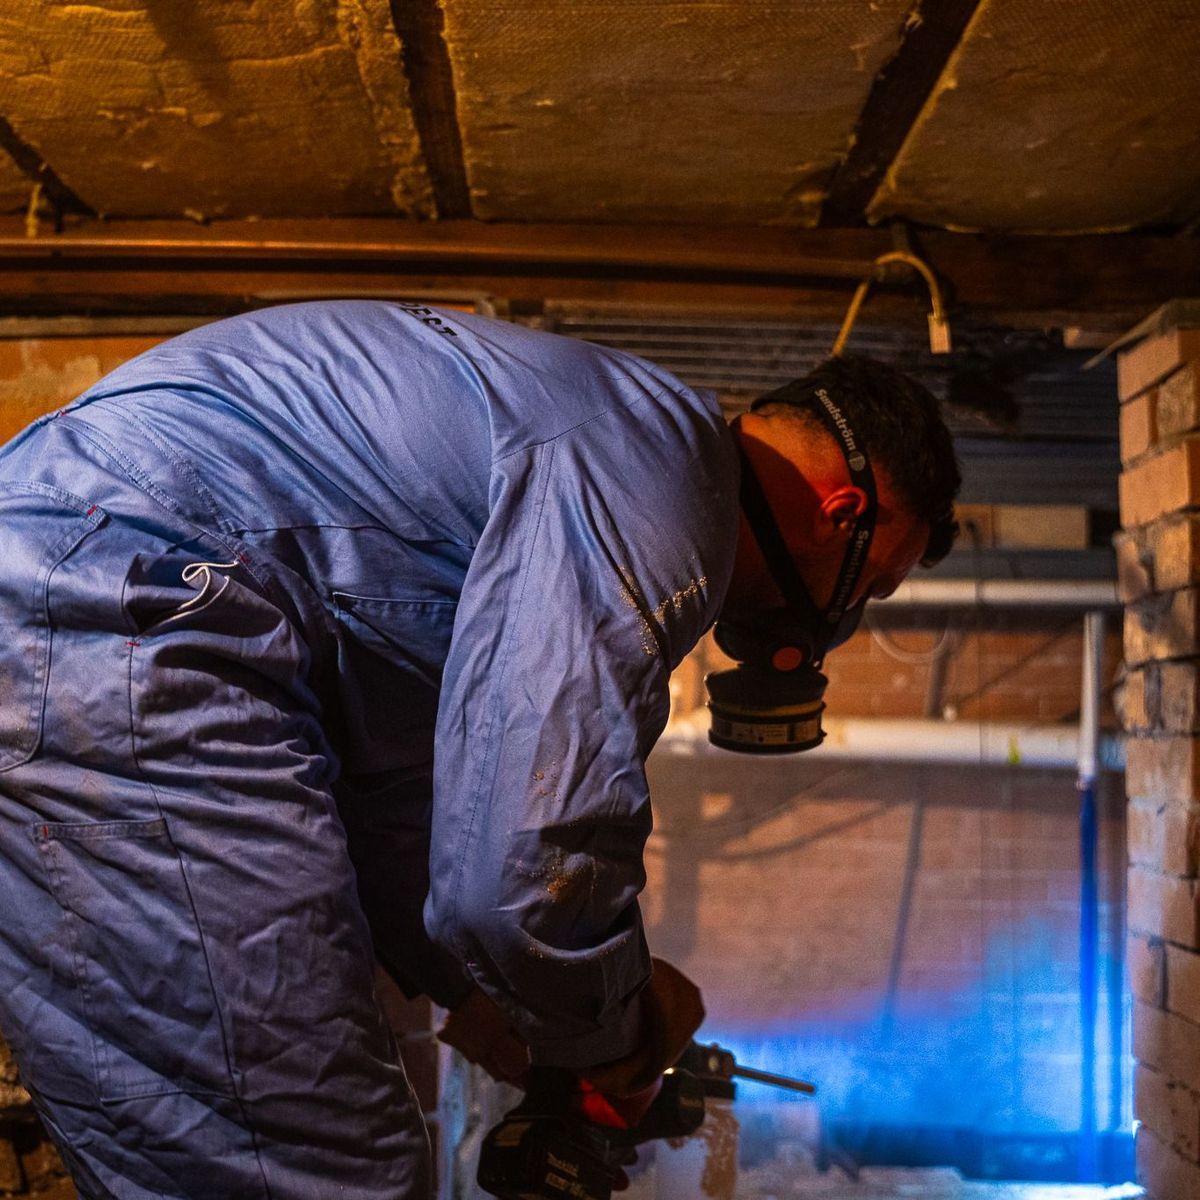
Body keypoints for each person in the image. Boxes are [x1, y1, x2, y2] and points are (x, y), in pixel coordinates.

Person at [0, 300, 959, 1198]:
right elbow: (525, 871)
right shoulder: (659, 482)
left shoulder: (613, 438)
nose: (843, 619)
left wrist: (487, 996)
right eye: (871, 588)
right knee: (315, 1167)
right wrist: (615, 1024)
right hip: (132, 597)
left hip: (104, 589)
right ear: (843, 515)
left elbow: (391, 789)